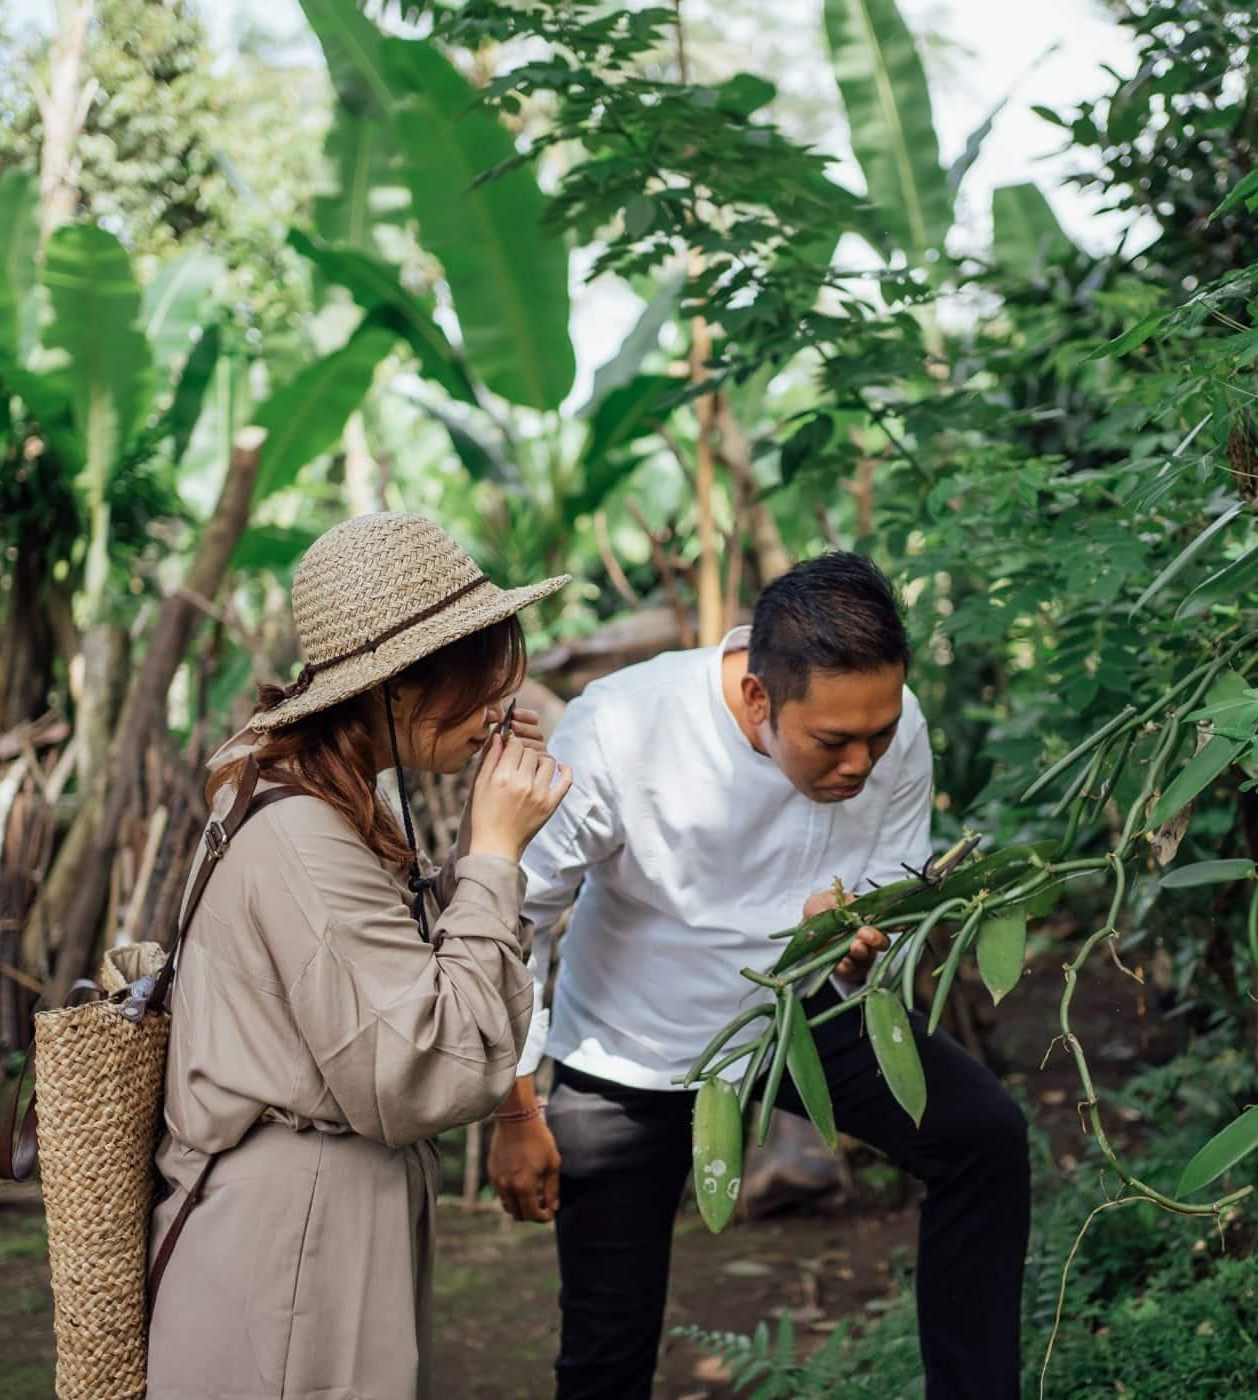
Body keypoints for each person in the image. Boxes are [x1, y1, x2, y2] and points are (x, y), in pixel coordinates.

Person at [488, 552, 1032, 1400]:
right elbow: (516, 913)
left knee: (985, 1139)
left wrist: (859, 931)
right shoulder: (621, 727)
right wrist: (518, 1101)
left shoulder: (896, 723)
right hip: (635, 1040)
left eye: (877, 738)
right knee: (608, 1342)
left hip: (808, 1011)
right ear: (756, 698)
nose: (861, 763)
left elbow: (898, 874)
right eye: (833, 742)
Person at [146, 513, 574, 1400]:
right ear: (399, 688)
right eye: (480, 686)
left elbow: (402, 988)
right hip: (297, 1237)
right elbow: (420, 1070)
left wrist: (486, 858)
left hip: (313, 1213)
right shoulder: (305, 832)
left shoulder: (313, 790)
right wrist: (493, 858)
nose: (501, 712)